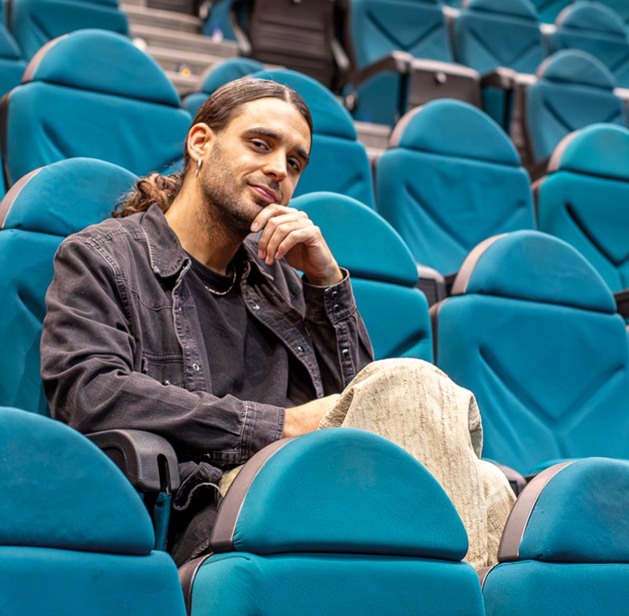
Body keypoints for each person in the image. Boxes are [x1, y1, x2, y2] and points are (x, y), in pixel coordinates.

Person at [41, 77, 513, 567]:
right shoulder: (103, 257)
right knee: (410, 385)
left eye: (294, 162)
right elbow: (90, 393)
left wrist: (326, 283)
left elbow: (364, 410)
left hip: (308, 488)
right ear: (200, 143)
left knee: (489, 483)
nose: (278, 170)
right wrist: (280, 425)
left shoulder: (278, 279)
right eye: (260, 144)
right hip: (206, 502)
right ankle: (452, 592)